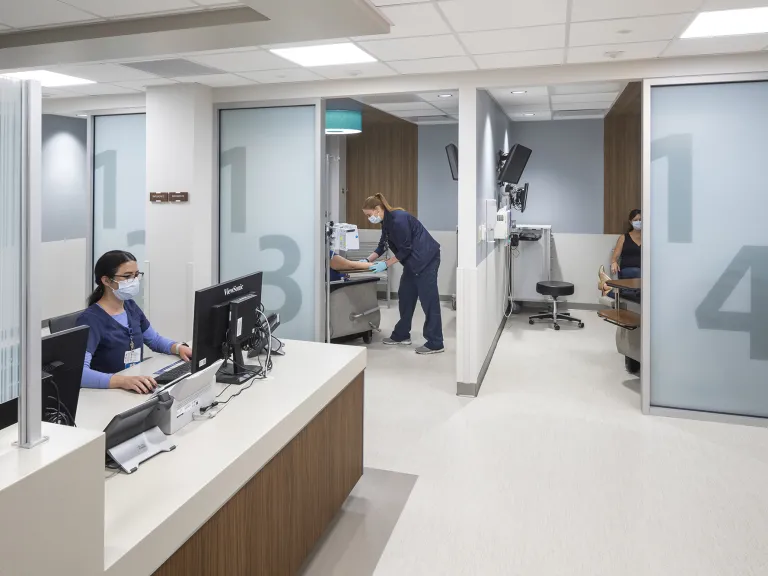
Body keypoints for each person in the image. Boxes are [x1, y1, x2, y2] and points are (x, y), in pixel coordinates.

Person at [77, 250, 192, 394]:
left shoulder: (130, 307)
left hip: (134, 388)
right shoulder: (91, 319)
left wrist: (178, 348)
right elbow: (80, 373)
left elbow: (154, 340)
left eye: (136, 275)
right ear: (106, 280)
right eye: (127, 276)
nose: (134, 280)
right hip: (107, 394)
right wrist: (122, 381)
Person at [362, 193, 444, 354]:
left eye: (369, 215)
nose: (368, 219)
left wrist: (384, 264)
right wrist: (366, 261)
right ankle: (402, 334)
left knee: (429, 301)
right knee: (405, 295)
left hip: (426, 260)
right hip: (413, 263)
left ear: (378, 209)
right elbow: (382, 246)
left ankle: (436, 342)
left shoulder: (399, 219)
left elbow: (406, 249)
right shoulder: (386, 222)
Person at [599, 209, 642, 298]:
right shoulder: (624, 237)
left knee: (638, 294)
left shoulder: (648, 238)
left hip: (642, 272)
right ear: (630, 222)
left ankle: (609, 291)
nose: (638, 222)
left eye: (640, 219)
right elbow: (615, 257)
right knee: (639, 273)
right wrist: (614, 262)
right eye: (635, 220)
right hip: (627, 271)